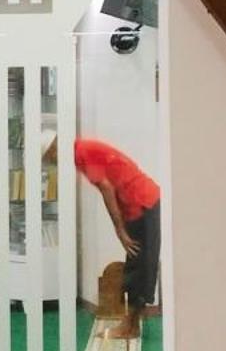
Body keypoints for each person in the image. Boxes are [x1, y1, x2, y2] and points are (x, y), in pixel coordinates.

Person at [66, 137, 162, 339]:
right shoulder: (82, 149)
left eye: (51, 158)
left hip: (141, 202)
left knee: (140, 265)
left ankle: (130, 327)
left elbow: (106, 188)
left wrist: (120, 230)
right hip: (138, 203)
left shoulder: (81, 152)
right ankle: (131, 324)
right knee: (139, 263)